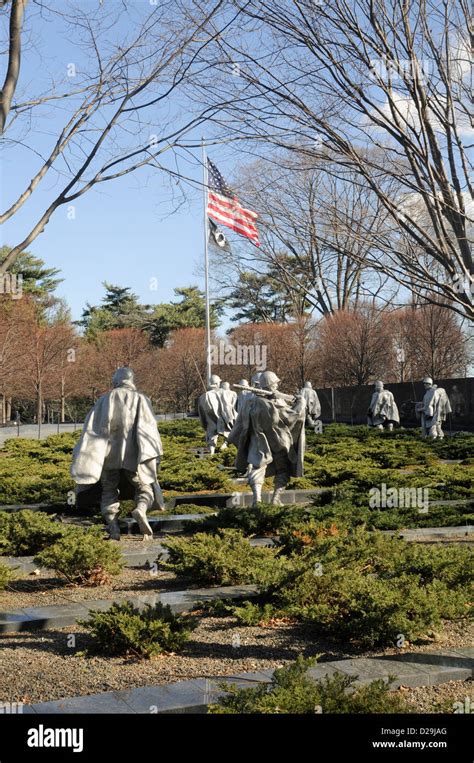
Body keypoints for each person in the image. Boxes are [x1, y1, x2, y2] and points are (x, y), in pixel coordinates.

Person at [71, 367, 163, 541]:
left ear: (116, 381)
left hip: (107, 456)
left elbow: (91, 429)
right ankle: (141, 510)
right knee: (144, 486)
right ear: (131, 380)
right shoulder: (142, 399)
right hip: (135, 456)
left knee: (109, 490)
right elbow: (150, 429)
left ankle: (113, 529)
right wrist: (153, 455)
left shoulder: (103, 400)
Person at [228, 370, 306, 506]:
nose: (276, 386)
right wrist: (301, 403)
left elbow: (238, 426)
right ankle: (275, 498)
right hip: (278, 443)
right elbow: (292, 416)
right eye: (275, 384)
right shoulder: (275, 404)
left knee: (257, 468)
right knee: (283, 469)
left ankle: (256, 499)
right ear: (271, 386)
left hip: (257, 444)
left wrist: (234, 440)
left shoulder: (249, 404)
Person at [198, 374, 222, 454]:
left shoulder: (202, 397)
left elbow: (201, 414)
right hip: (221, 420)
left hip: (210, 421)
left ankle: (212, 453)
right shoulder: (221, 394)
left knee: (211, 437)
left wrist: (204, 425)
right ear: (216, 383)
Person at [218, 381, 238, 448]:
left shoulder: (220, 393)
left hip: (225, 414)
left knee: (231, 430)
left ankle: (226, 443)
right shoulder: (233, 393)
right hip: (231, 414)